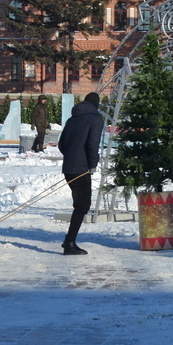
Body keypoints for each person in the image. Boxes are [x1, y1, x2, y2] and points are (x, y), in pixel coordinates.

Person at [57, 92, 104, 255]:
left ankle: (69, 241)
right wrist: (92, 164)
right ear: (96, 105)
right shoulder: (95, 119)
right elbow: (93, 144)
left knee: (79, 204)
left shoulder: (71, 119)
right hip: (81, 169)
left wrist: (71, 157)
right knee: (82, 205)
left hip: (69, 168)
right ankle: (69, 243)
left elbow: (61, 144)